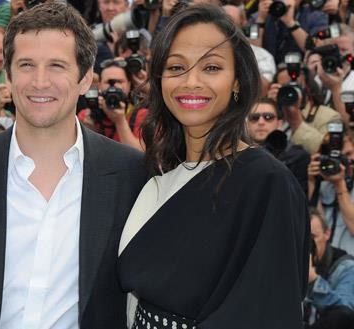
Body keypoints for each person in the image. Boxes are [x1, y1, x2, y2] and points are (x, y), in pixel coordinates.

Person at [0, 2, 148, 329]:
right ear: (8, 73)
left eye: (57, 66)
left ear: (85, 78)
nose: (40, 81)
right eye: (26, 65)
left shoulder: (132, 173)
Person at [118, 4, 309, 328]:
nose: (191, 82)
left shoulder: (268, 183)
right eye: (177, 67)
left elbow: (271, 312)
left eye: (211, 68)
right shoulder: (157, 180)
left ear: (237, 81)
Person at [304, 209, 354, 328]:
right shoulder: (291, 261)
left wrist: (313, 281)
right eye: (303, 239)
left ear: (327, 233)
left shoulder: (346, 266)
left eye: (312, 237)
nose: (308, 245)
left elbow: (346, 313)